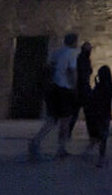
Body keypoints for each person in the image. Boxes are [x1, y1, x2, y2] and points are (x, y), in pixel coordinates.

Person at [29, 31, 79, 159]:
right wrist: (75, 87)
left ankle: (36, 141)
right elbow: (71, 71)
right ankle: (61, 148)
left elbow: (49, 68)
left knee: (52, 119)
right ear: (74, 42)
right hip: (64, 89)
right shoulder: (71, 54)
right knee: (66, 120)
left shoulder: (56, 52)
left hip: (53, 88)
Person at [85, 65, 112, 166]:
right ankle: (101, 158)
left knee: (97, 135)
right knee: (103, 137)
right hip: (105, 114)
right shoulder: (111, 87)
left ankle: (89, 151)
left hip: (97, 113)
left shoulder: (97, 87)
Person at [70, 40, 94, 136]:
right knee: (86, 112)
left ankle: (68, 131)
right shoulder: (83, 59)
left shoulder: (82, 58)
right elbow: (84, 74)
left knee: (77, 112)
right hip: (82, 88)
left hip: (81, 88)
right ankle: (92, 133)